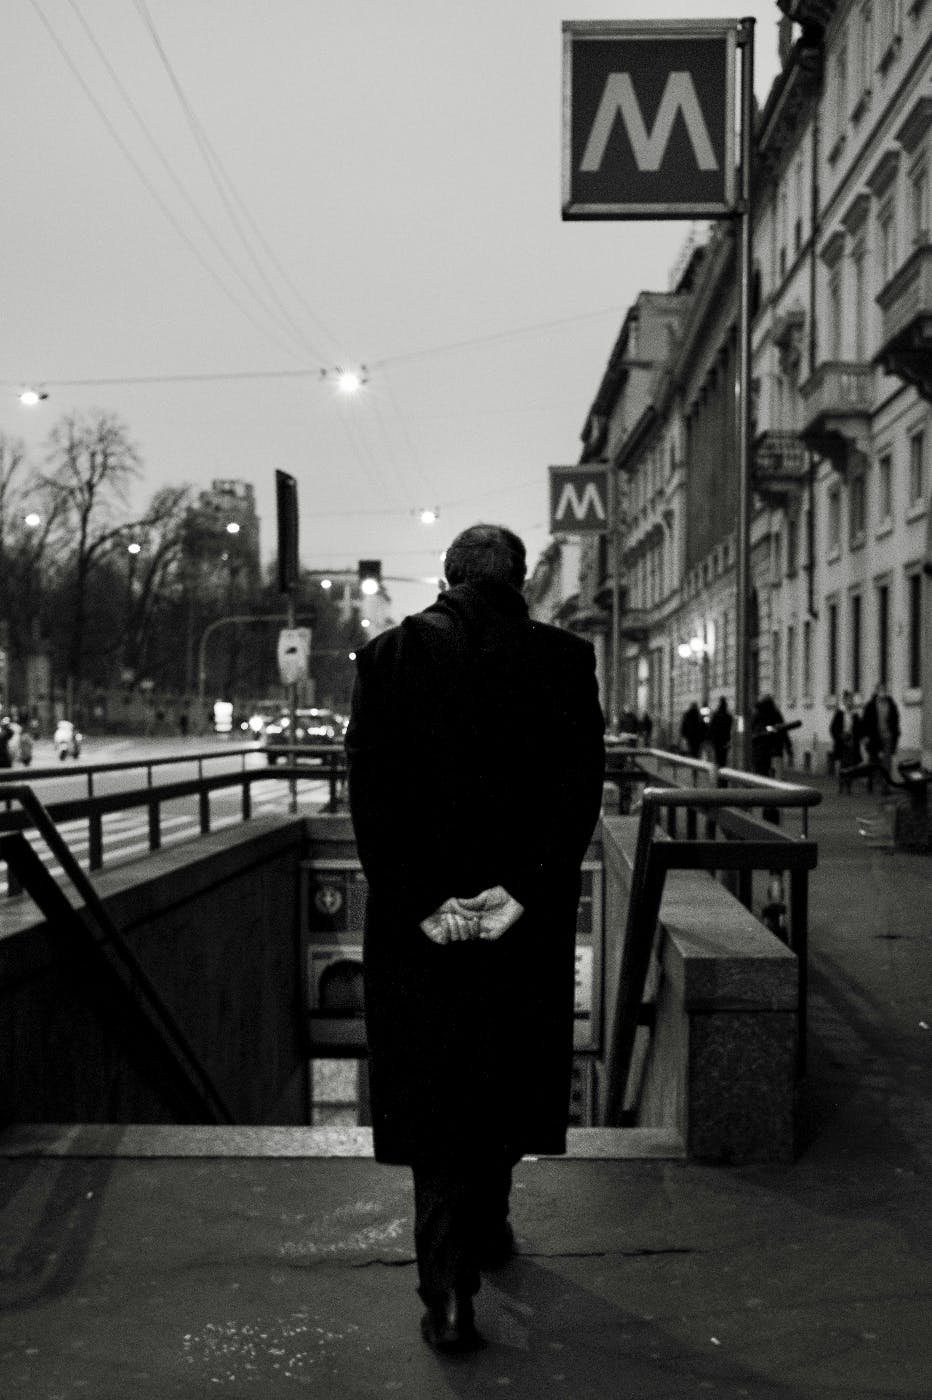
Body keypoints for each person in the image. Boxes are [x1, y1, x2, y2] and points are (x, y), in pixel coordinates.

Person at [346, 523, 605, 1353]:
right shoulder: (564, 661)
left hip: (422, 928)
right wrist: (515, 897)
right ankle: (490, 1221)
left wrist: (429, 904)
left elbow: (372, 802)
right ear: (520, 580)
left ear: (448, 579)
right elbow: (576, 801)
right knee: (500, 1070)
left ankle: (449, 1290)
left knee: (433, 1089)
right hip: (518, 924)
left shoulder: (388, 659)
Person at [861, 683, 900, 780]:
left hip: (887, 736)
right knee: (873, 760)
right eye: (880, 690)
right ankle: (872, 781)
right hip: (874, 736)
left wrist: (895, 732)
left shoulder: (891, 704)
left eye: (884, 690)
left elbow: (895, 719)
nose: (882, 692)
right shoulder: (870, 705)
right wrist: (865, 736)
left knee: (887, 760)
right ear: (877, 691)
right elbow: (865, 721)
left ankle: (885, 784)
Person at [829, 690, 862, 791]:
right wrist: (840, 736)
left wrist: (856, 737)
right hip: (841, 742)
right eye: (848, 700)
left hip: (852, 742)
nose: (850, 702)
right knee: (842, 764)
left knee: (851, 765)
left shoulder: (855, 714)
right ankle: (841, 784)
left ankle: (849, 785)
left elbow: (859, 728)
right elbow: (833, 728)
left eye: (851, 700)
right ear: (844, 701)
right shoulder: (839, 713)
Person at [707, 696, 734, 768]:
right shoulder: (728, 716)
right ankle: (723, 773)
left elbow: (711, 728)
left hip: (717, 741)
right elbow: (730, 728)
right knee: (724, 757)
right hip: (725, 740)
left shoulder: (715, 715)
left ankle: (719, 774)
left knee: (718, 757)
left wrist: (710, 739)